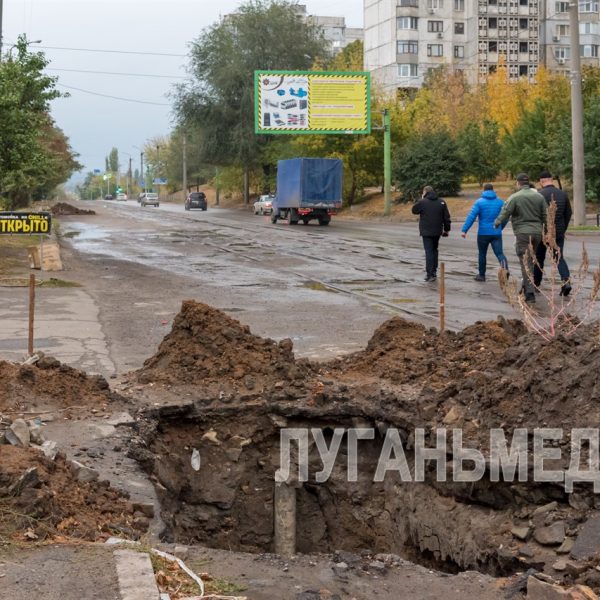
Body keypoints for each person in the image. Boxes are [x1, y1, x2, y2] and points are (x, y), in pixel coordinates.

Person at [494, 173, 547, 304]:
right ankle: (526, 287)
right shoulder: (539, 196)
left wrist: (497, 222)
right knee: (531, 260)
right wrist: (546, 231)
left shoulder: (515, 197)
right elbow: (545, 215)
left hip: (523, 233)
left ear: (518, 183)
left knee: (526, 262)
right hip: (536, 233)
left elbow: (505, 212)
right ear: (528, 183)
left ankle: (529, 293)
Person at [533, 170, 572, 296]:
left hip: (543, 232)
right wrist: (563, 228)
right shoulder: (562, 194)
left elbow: (537, 215)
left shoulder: (539, 195)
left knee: (539, 258)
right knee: (558, 257)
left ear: (541, 181)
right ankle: (566, 281)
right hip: (558, 232)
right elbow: (568, 213)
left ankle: (536, 283)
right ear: (551, 180)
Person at [461, 183, 509, 281]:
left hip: (483, 233)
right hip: (496, 233)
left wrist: (464, 230)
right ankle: (505, 271)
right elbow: (506, 217)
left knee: (482, 254)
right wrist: (500, 227)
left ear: (484, 190)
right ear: (493, 190)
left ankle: (481, 275)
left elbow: (471, 217)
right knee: (500, 253)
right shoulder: (500, 202)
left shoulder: (479, 202)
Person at [412, 185, 451, 282]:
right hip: (437, 231)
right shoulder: (441, 202)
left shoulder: (422, 202)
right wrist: (446, 230)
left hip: (426, 231)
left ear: (425, 192)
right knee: (434, 250)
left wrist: (421, 199)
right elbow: (446, 218)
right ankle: (434, 271)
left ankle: (429, 274)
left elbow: (414, 210)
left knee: (429, 251)